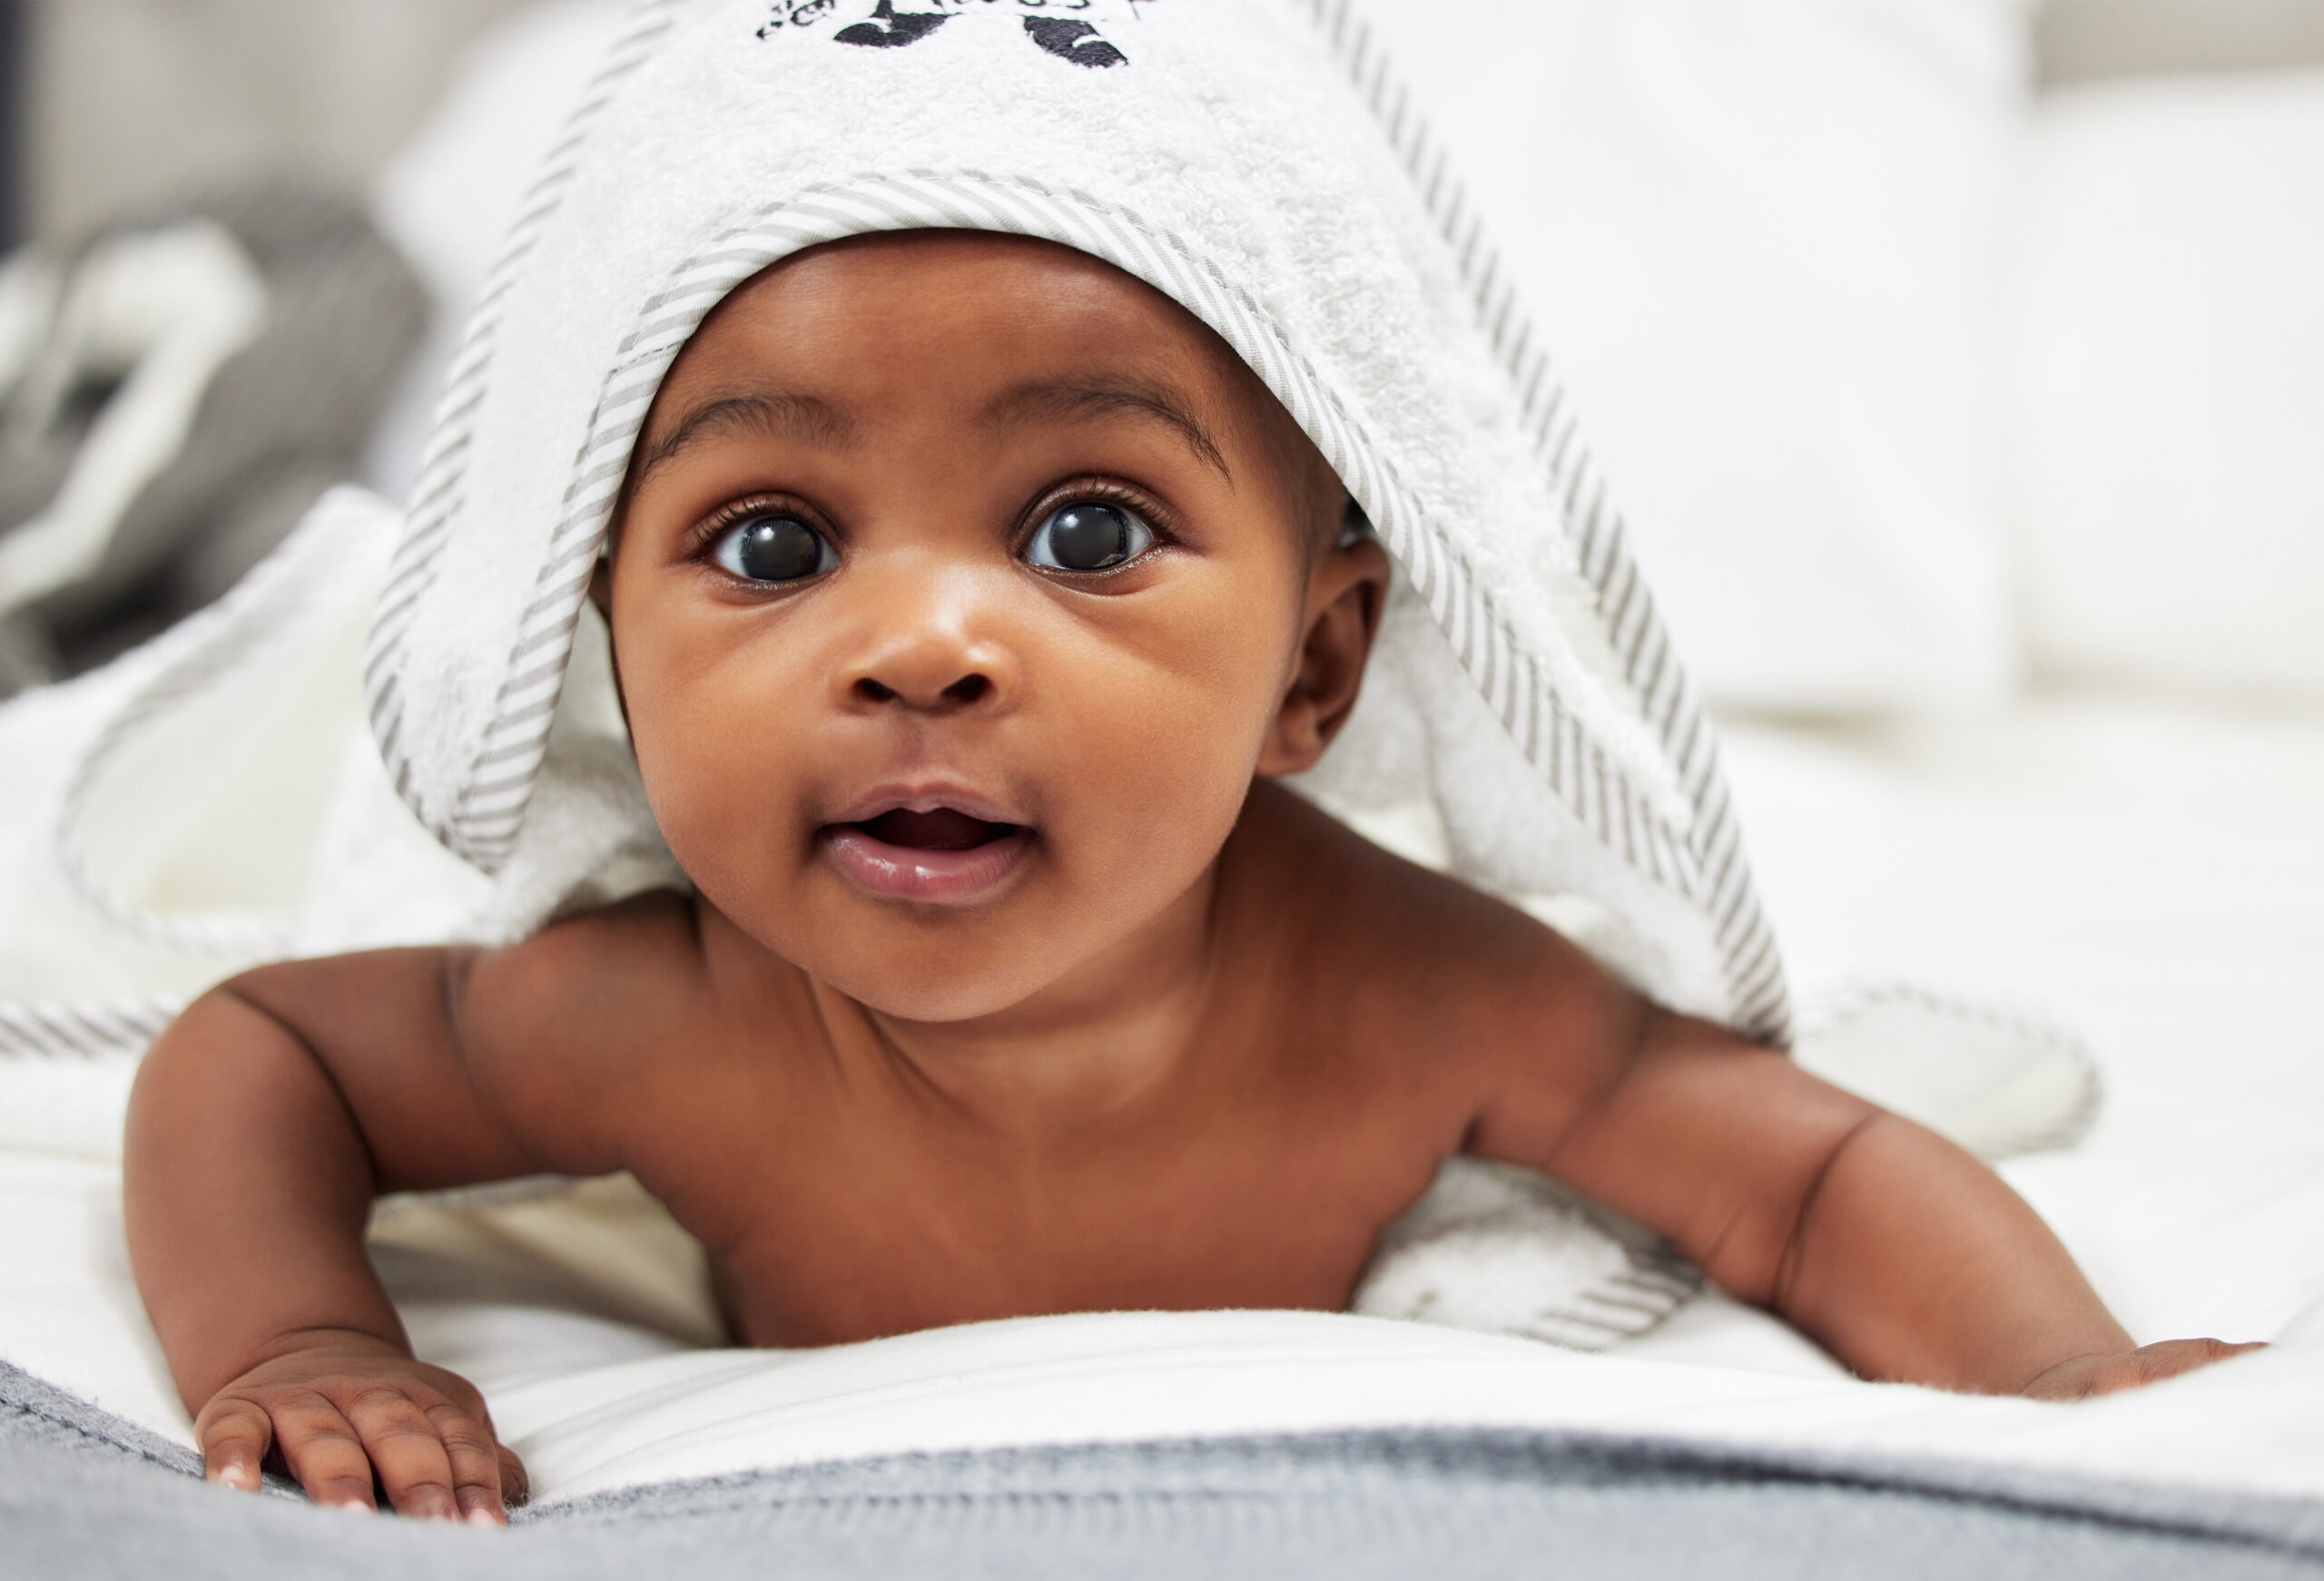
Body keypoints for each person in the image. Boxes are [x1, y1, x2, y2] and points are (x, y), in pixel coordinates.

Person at [119, 0, 2255, 1530]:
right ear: (602, 640)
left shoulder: (1414, 1001)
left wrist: (2064, 1384)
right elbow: (259, 1052)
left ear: (1313, 670)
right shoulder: (649, 1020)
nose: (923, 650)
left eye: (1086, 531)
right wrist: (300, 1336)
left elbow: (1797, 1167)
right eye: (771, 546)